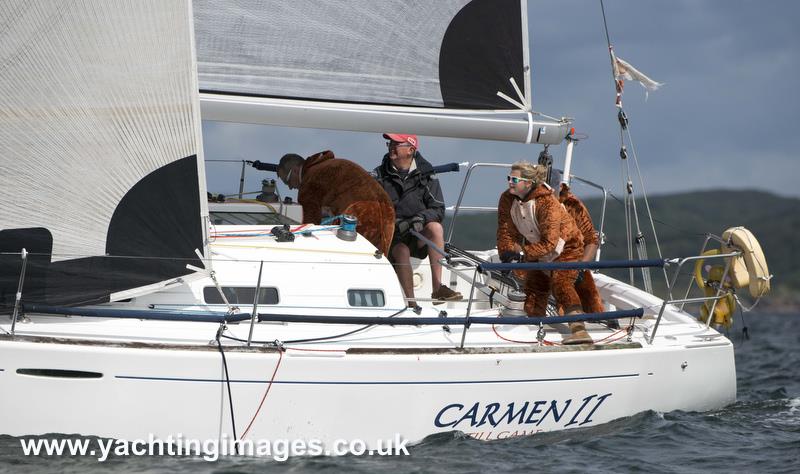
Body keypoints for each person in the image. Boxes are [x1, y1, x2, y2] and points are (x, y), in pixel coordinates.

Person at [496, 161, 593, 345]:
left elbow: (550, 242)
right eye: (508, 178)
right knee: (533, 288)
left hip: (567, 247)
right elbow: (505, 231)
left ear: (528, 183)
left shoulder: (547, 202)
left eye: (514, 179)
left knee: (561, 283)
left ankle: (579, 331)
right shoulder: (507, 199)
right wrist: (506, 254)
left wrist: (524, 255)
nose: (509, 182)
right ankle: (533, 329)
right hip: (537, 248)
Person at [373, 133, 462, 306]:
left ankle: (438, 289)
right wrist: (395, 223)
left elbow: (438, 209)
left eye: (396, 144)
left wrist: (419, 219)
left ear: (411, 150)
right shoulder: (379, 176)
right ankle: (411, 303)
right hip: (393, 235)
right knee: (401, 251)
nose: (391, 146)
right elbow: (374, 210)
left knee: (436, 228)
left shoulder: (426, 174)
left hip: (417, 232)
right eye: (390, 143)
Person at [267, 151, 395, 256]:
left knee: (361, 261)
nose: (290, 187)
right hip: (387, 210)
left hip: (362, 215)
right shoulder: (328, 165)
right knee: (378, 259)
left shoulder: (309, 181)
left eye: (287, 181)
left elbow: (308, 226)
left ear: (295, 171)